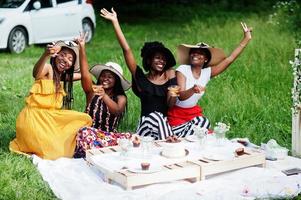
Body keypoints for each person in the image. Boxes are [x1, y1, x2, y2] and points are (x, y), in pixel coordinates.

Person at [100, 8, 179, 140]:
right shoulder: (141, 79)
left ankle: (169, 141)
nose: (162, 61)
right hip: (146, 126)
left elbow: (171, 105)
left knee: (200, 122)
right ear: (149, 60)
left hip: (164, 127)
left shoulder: (170, 75)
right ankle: (169, 144)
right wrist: (115, 22)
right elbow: (126, 50)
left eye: (164, 59)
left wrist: (173, 94)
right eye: (158, 58)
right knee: (156, 116)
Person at [9, 41, 92, 160]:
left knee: (84, 119)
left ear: (72, 64)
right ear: (55, 54)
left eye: (70, 59)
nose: (65, 60)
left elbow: (84, 75)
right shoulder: (47, 69)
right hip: (33, 119)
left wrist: (82, 48)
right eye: (62, 54)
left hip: (48, 118)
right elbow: (36, 73)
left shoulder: (61, 77)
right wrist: (45, 55)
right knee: (55, 153)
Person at [168, 22, 252, 137]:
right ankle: (181, 134)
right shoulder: (182, 70)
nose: (195, 55)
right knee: (201, 129)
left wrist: (246, 39)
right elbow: (181, 96)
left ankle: (189, 135)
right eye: (193, 52)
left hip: (192, 114)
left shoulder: (207, 72)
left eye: (200, 53)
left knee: (203, 123)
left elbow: (230, 59)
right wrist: (193, 89)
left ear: (206, 59)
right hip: (177, 114)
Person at [73, 33, 132, 158]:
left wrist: (104, 96)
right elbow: (85, 74)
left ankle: (102, 151)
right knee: (83, 131)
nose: (105, 79)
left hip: (108, 137)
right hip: (89, 135)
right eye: (103, 75)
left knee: (130, 137)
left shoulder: (121, 97)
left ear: (116, 81)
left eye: (110, 77)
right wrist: (81, 48)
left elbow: (117, 111)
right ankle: (94, 151)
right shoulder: (92, 91)